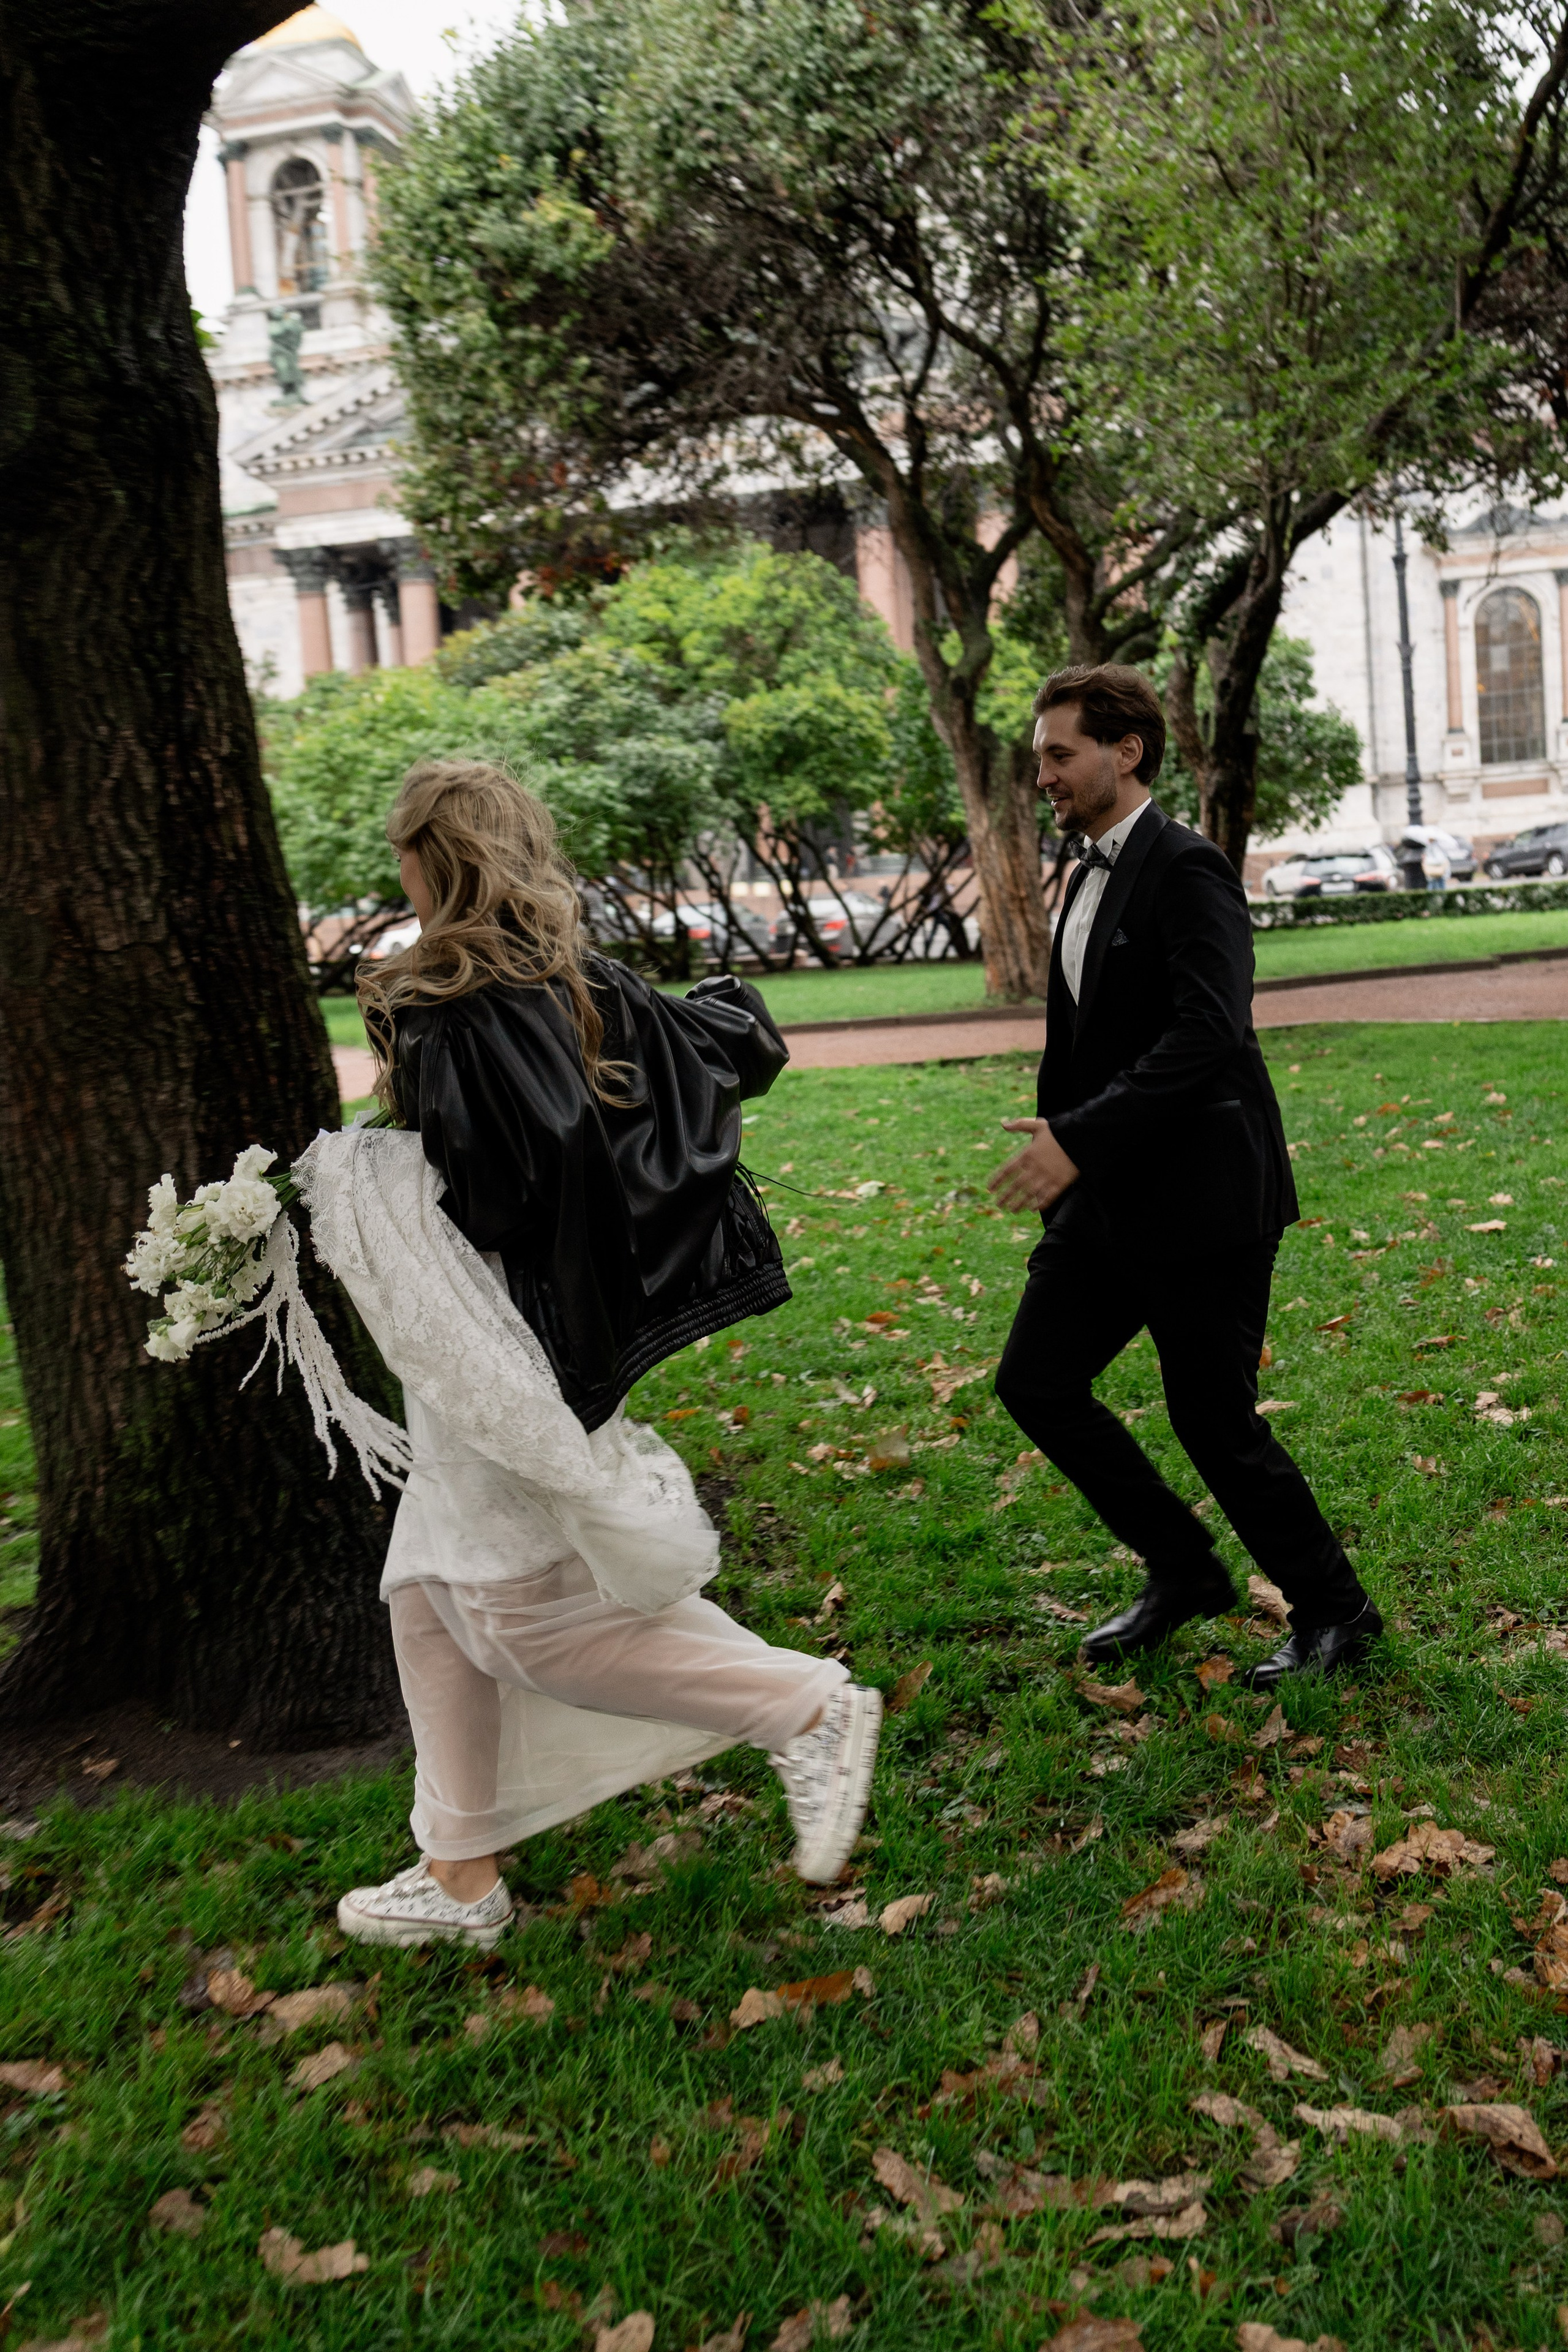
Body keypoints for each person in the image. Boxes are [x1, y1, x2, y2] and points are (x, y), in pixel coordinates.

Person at [325, 760, 881, 1948]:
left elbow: (493, 1192)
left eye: (403, 853)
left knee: (513, 1613)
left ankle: (803, 1706)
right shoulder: (579, 977)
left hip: (491, 1334)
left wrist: (357, 1178)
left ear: (430, 858)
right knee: (427, 1588)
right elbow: (729, 1054)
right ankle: (459, 1874)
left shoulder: (446, 1000)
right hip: (534, 1324)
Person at [989, 666, 1381, 1688]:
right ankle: (1184, 1568)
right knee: (1035, 1381)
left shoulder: (1189, 867)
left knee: (1213, 1421)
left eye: (1060, 754)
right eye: (1039, 758)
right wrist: (1069, 1149)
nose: (1044, 776)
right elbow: (1086, 1039)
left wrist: (1078, 1138)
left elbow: (1210, 1032)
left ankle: (1338, 1612)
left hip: (1205, 1198)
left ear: (1126, 752)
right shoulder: (1081, 872)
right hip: (1105, 1197)